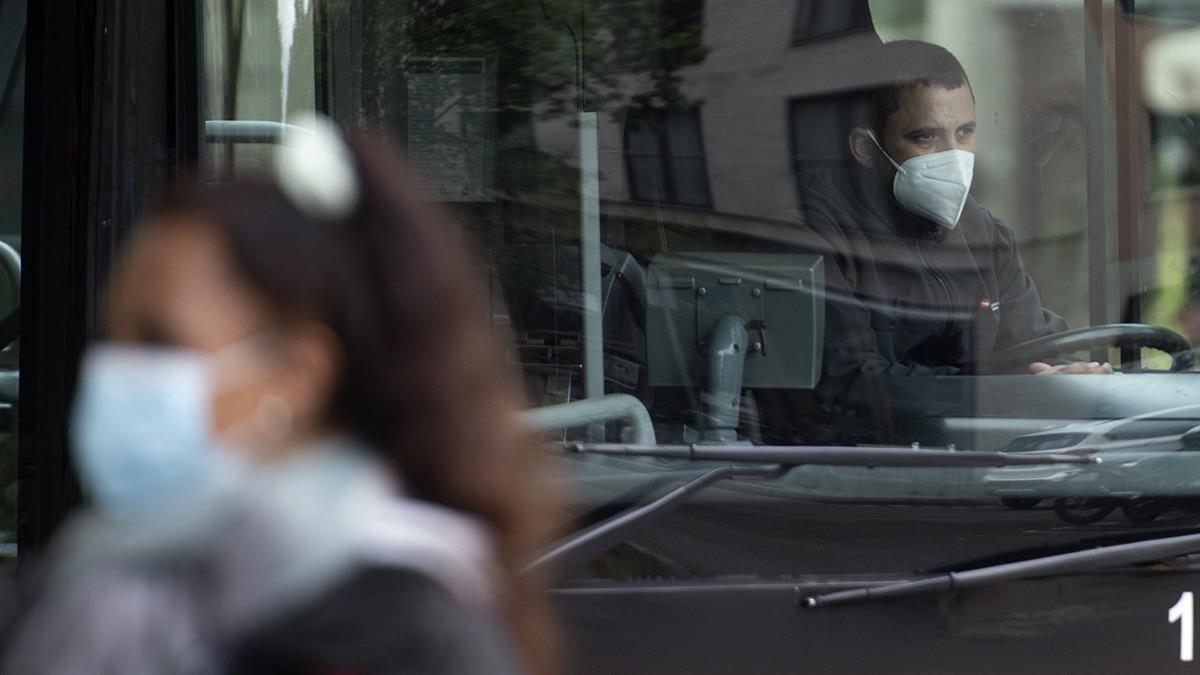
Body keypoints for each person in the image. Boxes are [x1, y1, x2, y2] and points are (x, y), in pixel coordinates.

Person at [1, 117, 560, 674]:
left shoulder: (401, 639)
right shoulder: (104, 570)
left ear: (298, 374)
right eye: (111, 337)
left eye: (160, 343)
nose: (115, 373)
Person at [796, 40, 1109, 436]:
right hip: (855, 478)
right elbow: (850, 388)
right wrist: (1008, 395)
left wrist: (1065, 374)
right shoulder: (815, 234)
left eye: (964, 132)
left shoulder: (983, 235)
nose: (954, 155)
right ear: (866, 149)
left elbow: (1031, 344)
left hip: (977, 464)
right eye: (926, 137)